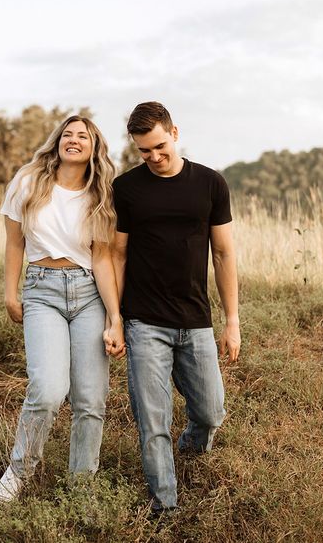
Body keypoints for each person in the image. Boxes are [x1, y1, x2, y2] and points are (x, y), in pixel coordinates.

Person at [112, 101, 240, 514]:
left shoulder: (210, 184)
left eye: (160, 146)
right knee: (153, 422)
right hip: (144, 322)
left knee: (211, 411)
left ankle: (190, 446)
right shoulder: (127, 189)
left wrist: (231, 321)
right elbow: (117, 255)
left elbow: (223, 254)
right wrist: (115, 318)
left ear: (175, 133)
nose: (153, 157)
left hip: (196, 320)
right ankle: (164, 506)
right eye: (143, 151)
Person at [0, 115, 125, 503]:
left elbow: (102, 260)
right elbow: (14, 243)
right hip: (41, 289)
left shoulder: (100, 195)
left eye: (82, 136)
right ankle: (19, 472)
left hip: (88, 293)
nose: (73, 139)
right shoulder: (28, 180)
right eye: (67, 134)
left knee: (90, 398)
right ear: (57, 142)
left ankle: (81, 486)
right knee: (49, 390)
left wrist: (115, 317)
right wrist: (10, 292)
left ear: (93, 147)